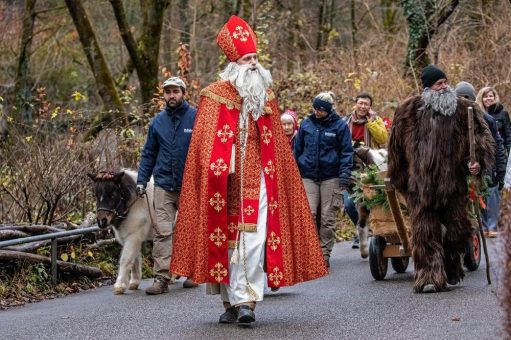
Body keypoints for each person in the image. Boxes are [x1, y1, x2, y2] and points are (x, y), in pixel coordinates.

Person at [169, 16, 327, 326]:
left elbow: (275, 144)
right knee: (224, 244)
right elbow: (203, 144)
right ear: (233, 63)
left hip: (259, 180)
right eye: (247, 59)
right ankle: (231, 301)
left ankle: (248, 301)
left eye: (255, 58)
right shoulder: (213, 96)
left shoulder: (265, 96)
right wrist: (219, 160)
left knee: (252, 242)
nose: (254, 64)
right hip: (223, 182)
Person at [388, 65, 495, 293]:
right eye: (439, 84)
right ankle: (429, 276)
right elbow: (395, 150)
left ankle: (451, 267)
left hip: (452, 185)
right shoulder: (408, 111)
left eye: (446, 82)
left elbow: (481, 141)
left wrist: (476, 163)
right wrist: (402, 182)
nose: (445, 86)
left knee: (457, 231)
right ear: (427, 88)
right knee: (425, 233)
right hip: (421, 187)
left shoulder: (464, 109)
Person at [136, 76, 198, 294]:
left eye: (175, 91)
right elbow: (149, 154)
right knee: (162, 232)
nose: (172, 96)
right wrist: (142, 180)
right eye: (168, 92)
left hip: (190, 184)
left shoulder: (196, 117)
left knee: (189, 230)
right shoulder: (158, 122)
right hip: (163, 184)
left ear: (183, 93)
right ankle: (161, 278)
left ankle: (192, 272)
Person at [294, 92, 354, 267]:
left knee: (328, 218)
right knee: (309, 214)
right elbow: (297, 150)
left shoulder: (339, 126)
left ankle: (324, 255)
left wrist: (344, 176)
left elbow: (346, 152)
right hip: (308, 176)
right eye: (315, 108)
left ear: (328, 110)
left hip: (331, 177)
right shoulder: (306, 124)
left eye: (321, 109)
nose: (317, 112)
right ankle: (311, 253)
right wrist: (295, 171)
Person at [456, 81, 506, 238]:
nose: (463, 100)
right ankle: (480, 226)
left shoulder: (487, 119)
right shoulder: (451, 120)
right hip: (462, 168)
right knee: (472, 198)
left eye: (466, 97)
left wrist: (500, 169)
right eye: (460, 97)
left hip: (485, 165)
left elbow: (497, 145)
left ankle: (491, 226)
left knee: (489, 193)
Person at [344, 93, 388, 256]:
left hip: (371, 167)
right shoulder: (345, 122)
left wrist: (371, 123)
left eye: (366, 104)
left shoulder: (375, 120)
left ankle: (372, 234)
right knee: (350, 204)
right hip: (350, 167)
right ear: (355, 104)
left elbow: (383, 138)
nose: (363, 107)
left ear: (370, 107)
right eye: (360, 103)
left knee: (370, 204)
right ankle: (363, 230)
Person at [476, 86, 511, 154]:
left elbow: (508, 137)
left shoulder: (503, 114)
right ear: (481, 99)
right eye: (485, 96)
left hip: (500, 153)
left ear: (494, 98)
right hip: (483, 154)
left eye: (491, 96)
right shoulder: (477, 114)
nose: (488, 98)